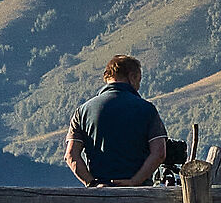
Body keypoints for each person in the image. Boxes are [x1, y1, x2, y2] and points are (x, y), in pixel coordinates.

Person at [65, 54, 168, 187]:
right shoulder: (147, 109)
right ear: (132, 76)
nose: (138, 86)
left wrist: (92, 184)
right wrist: (134, 181)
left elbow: (71, 155)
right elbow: (159, 153)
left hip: (99, 198)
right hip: (138, 196)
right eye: (139, 80)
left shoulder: (82, 111)